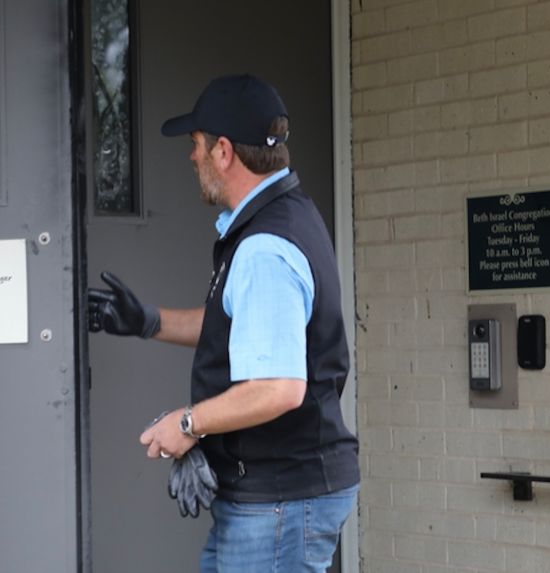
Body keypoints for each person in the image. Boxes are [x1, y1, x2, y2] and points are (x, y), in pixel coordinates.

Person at [88, 74, 359, 573]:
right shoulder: (284, 217)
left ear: (224, 152)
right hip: (270, 499)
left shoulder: (265, 248)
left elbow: (279, 387)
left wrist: (188, 423)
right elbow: (241, 329)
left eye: (196, 145)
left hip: (278, 503)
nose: (192, 157)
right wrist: (147, 322)